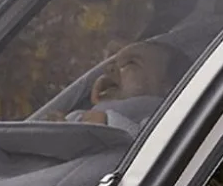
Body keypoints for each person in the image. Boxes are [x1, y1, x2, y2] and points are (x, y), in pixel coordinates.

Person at [37, 38, 192, 134]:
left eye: (131, 63)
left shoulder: (162, 124)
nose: (110, 69)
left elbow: (151, 148)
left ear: (167, 87)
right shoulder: (78, 116)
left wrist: (109, 123)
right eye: (113, 63)